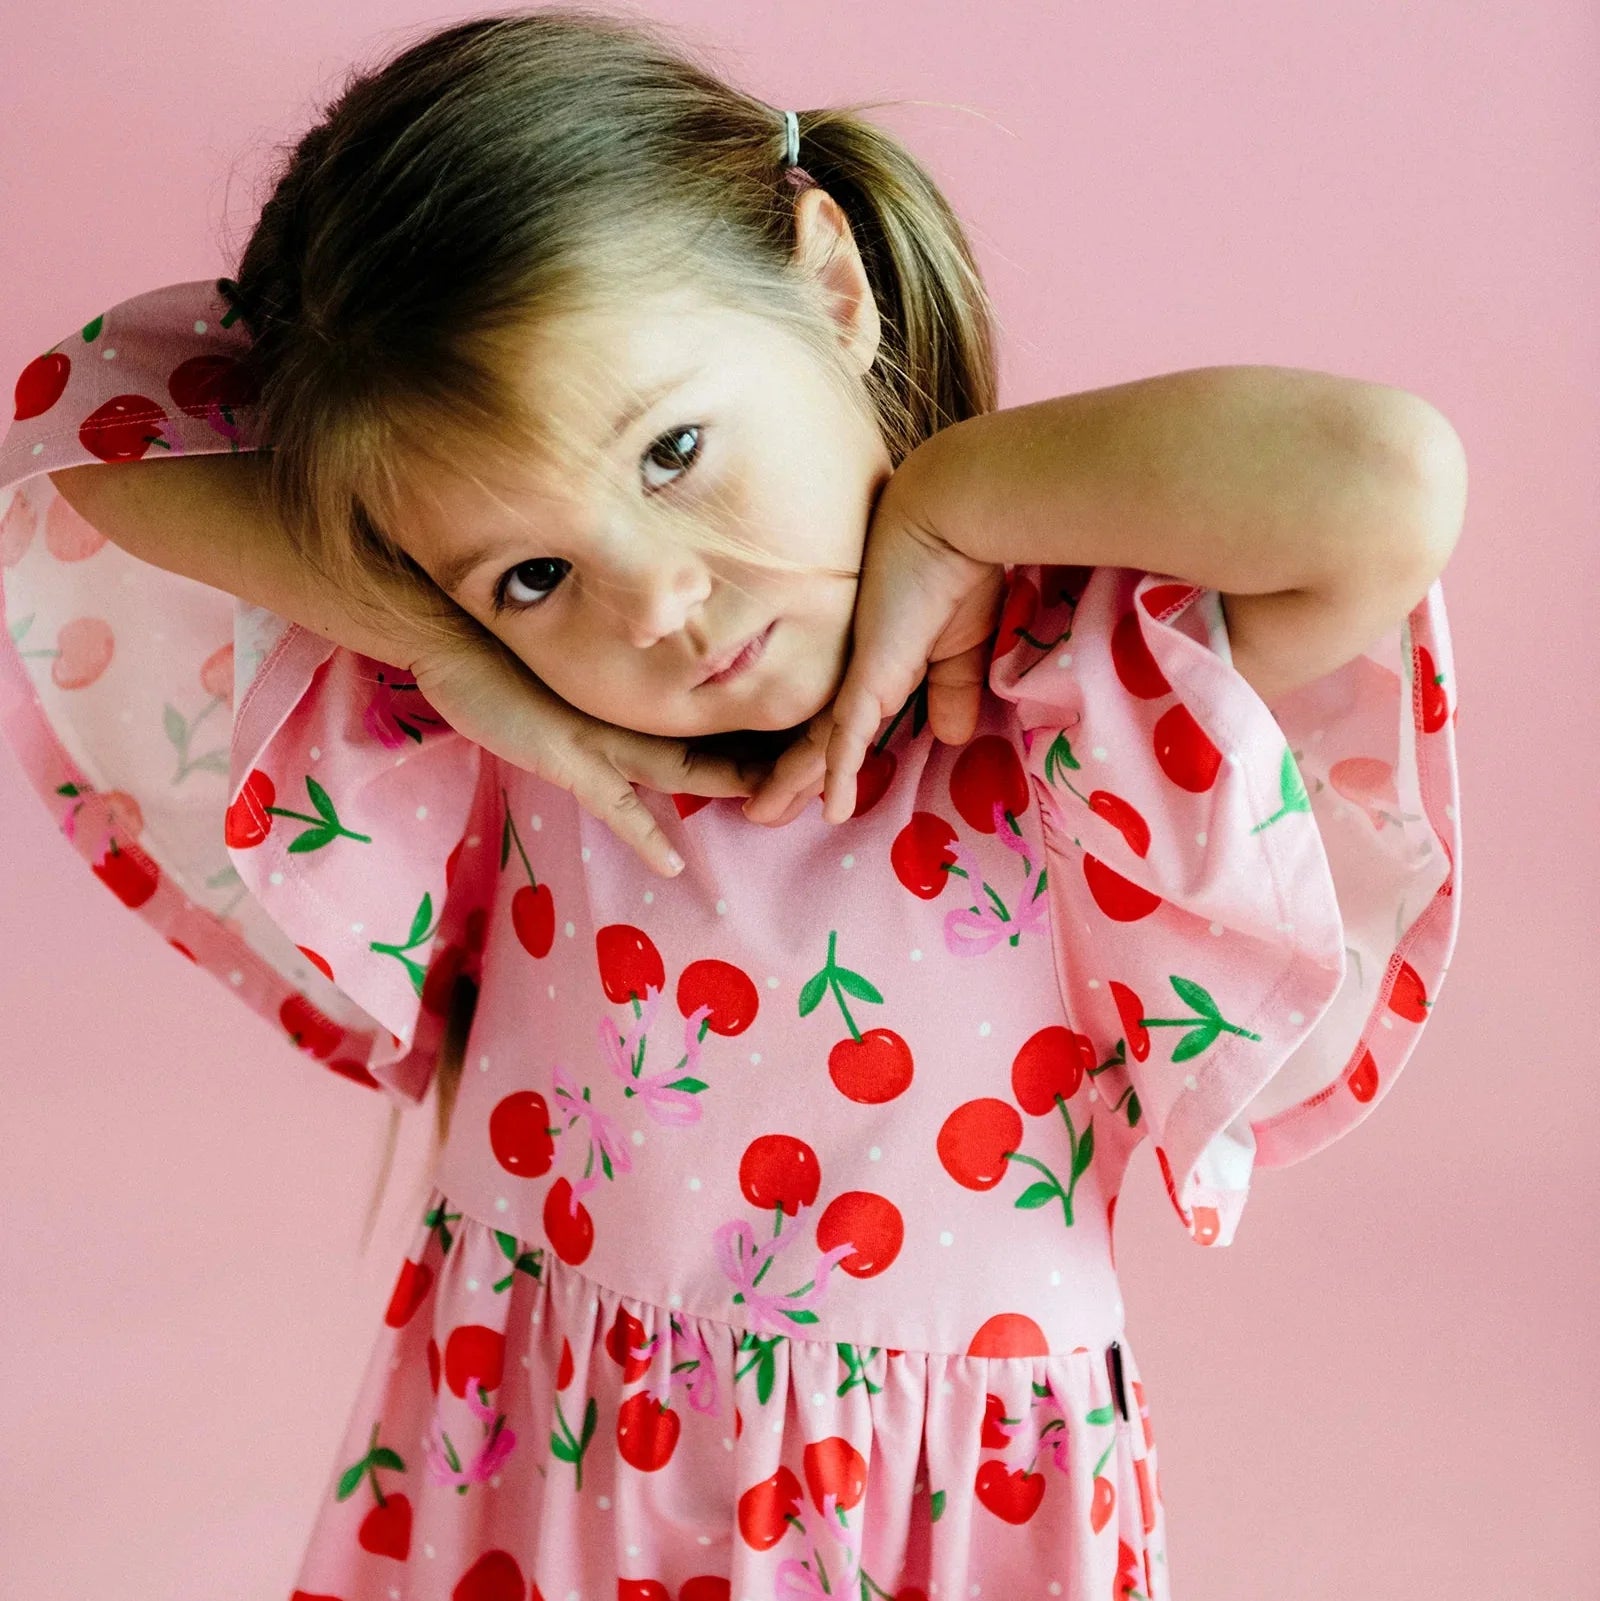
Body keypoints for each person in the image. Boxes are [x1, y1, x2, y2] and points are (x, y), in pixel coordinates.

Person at [1, 8, 1465, 1598]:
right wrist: (450, 638)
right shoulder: (525, 710)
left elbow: (1389, 478)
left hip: (931, 1516)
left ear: (832, 288)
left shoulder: (1059, 686)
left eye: (673, 448)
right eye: (539, 569)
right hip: (538, 1474)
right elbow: (74, 446)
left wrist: (960, 509)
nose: (658, 603)